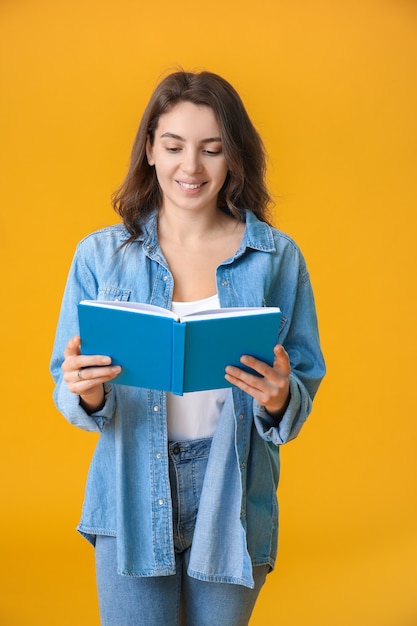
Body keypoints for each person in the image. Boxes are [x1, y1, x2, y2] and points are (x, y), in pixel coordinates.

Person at [50, 70, 325, 626]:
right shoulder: (101, 256)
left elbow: (301, 381)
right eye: (174, 146)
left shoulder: (276, 257)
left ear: (234, 158)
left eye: (212, 149)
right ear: (150, 149)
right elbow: (67, 382)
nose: (191, 167)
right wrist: (89, 392)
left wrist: (278, 398)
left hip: (234, 491)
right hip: (129, 488)